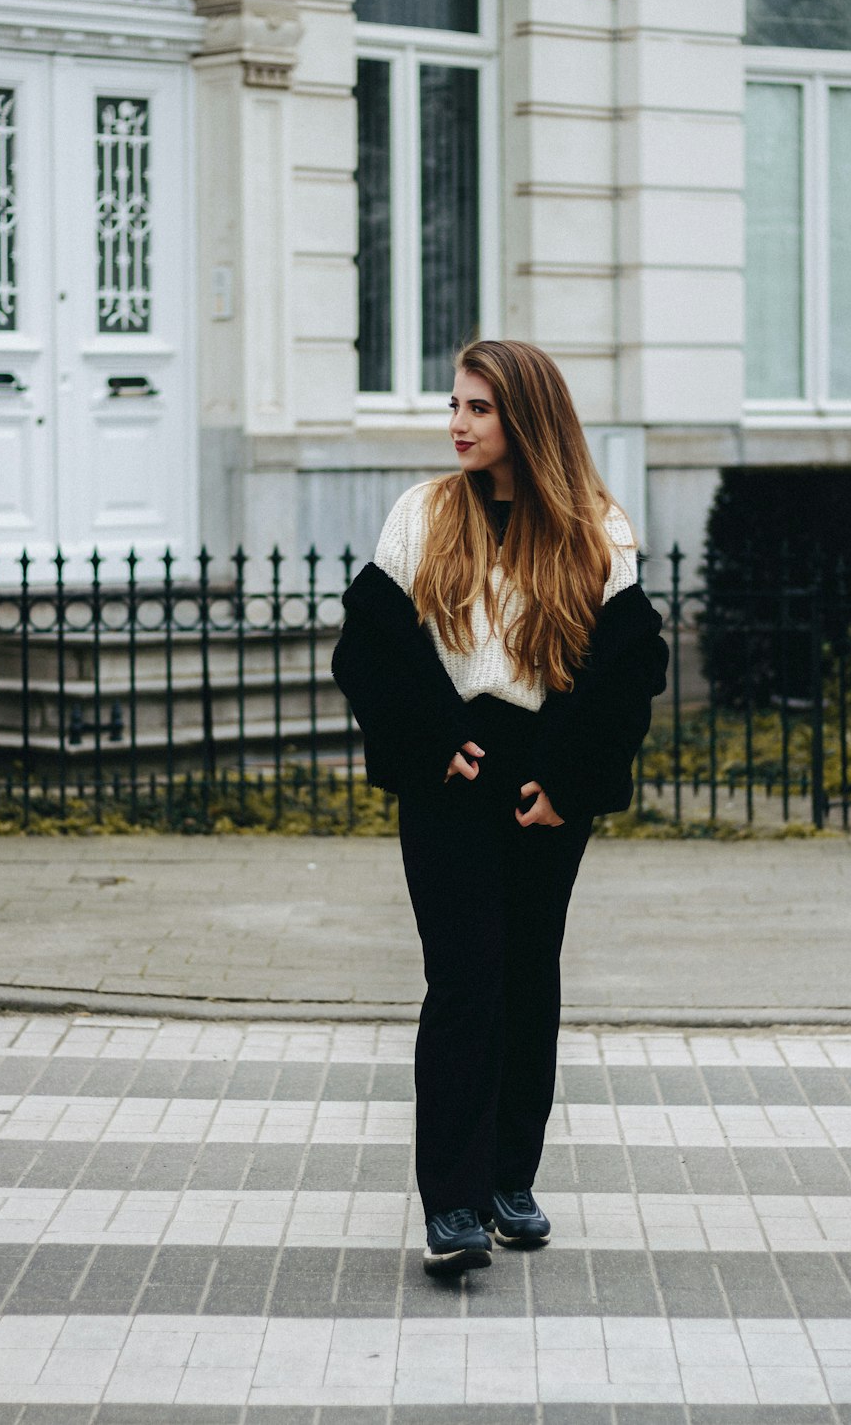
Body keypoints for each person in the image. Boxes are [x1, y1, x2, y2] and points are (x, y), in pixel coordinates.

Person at [332, 339, 668, 1277]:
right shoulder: (423, 516)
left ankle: (509, 1180)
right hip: (451, 772)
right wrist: (436, 738)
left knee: (529, 976)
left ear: (524, 416)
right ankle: (453, 1205)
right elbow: (370, 648)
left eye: (477, 408)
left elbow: (628, 670)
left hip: (544, 782)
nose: (457, 425)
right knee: (466, 977)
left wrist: (567, 782)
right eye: (455, 405)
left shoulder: (596, 526)